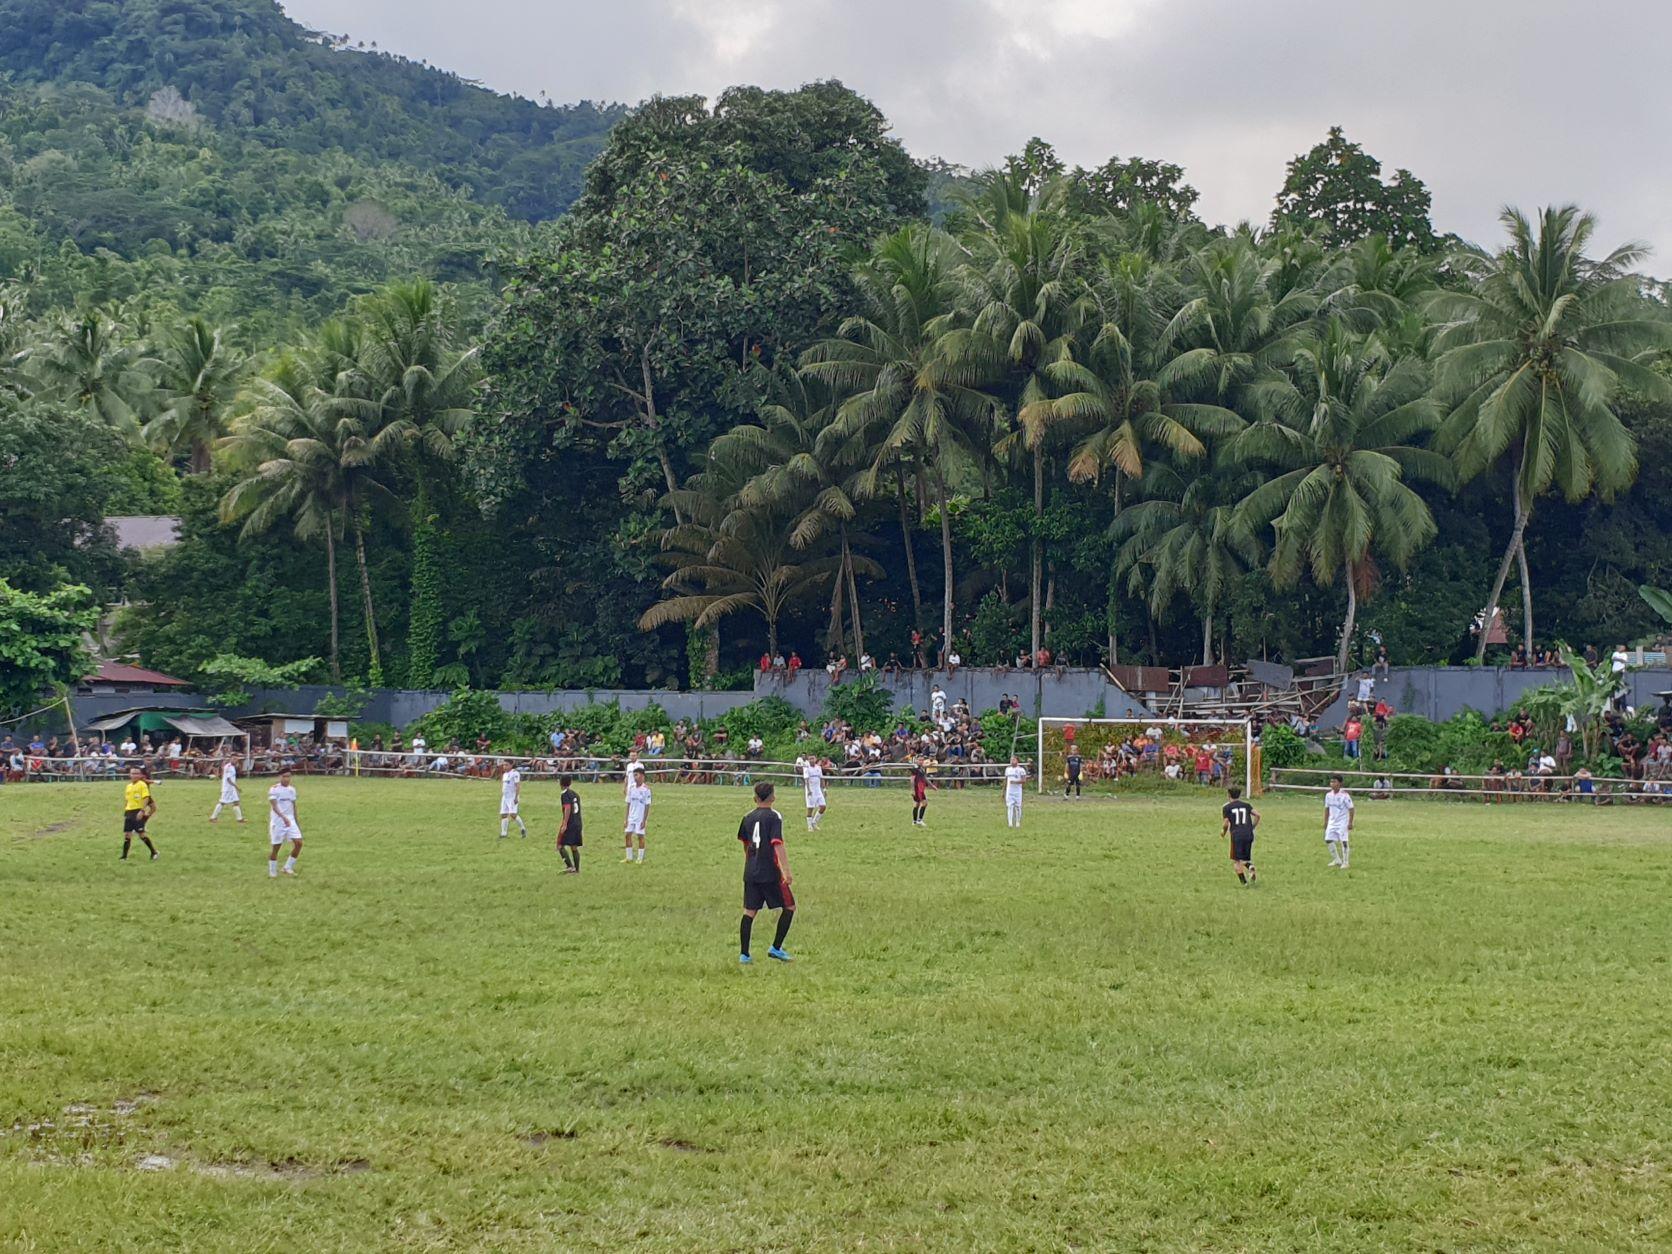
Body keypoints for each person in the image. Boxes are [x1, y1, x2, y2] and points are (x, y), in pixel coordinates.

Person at [737, 781, 795, 964]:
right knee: (789, 907)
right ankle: (775, 948)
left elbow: (746, 845)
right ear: (773, 797)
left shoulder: (747, 817)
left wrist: (752, 862)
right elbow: (777, 844)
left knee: (749, 911)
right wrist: (786, 871)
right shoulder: (774, 817)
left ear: (755, 798)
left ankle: (744, 954)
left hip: (751, 871)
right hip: (770, 871)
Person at [1221, 785, 1259, 886]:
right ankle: (1250, 866)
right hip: (1248, 834)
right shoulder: (1246, 805)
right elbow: (1258, 815)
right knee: (1244, 858)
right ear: (1239, 795)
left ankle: (1244, 883)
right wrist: (1252, 827)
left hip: (1237, 835)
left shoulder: (1227, 807)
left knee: (1236, 860)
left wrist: (1223, 832)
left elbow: (1225, 824)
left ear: (1229, 795)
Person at [267, 768, 302, 877]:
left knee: (299, 843)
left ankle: (288, 867)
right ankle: (272, 871)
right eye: (285, 776)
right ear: (280, 777)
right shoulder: (274, 789)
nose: (287, 779)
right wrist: (283, 817)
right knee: (276, 847)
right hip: (278, 821)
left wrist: (295, 820)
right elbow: (274, 806)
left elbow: (293, 805)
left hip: (290, 820)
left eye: (289, 776)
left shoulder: (292, 790)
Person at [120, 765, 159, 862]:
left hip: (138, 811)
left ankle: (154, 852)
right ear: (130, 775)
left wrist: (142, 811)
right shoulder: (128, 786)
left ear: (140, 775)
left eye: (137, 773)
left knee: (141, 835)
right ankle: (124, 857)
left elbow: (146, 798)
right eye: (133, 773)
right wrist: (126, 809)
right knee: (127, 835)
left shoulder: (142, 785)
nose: (135, 775)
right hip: (129, 812)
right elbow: (127, 799)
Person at [1324, 774, 1354, 868]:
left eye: (1334, 781)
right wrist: (1325, 821)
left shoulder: (1345, 795)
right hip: (1332, 821)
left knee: (1344, 841)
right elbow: (1327, 808)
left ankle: (1345, 862)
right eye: (1331, 781)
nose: (1332, 784)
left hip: (1342, 822)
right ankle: (1337, 860)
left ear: (1340, 783)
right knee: (1328, 839)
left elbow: (1351, 809)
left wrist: (1350, 822)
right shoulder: (1328, 795)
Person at [623, 766, 651, 863]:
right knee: (627, 835)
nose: (635, 777)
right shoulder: (631, 788)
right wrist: (626, 818)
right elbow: (628, 803)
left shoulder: (646, 790)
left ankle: (640, 858)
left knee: (640, 836)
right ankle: (629, 857)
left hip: (640, 817)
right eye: (634, 775)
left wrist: (644, 820)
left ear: (642, 776)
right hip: (631, 816)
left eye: (636, 775)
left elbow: (647, 806)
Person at [556, 774, 583, 873]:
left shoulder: (564, 794)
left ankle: (570, 867)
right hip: (578, 822)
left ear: (560, 783)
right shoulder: (575, 794)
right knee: (574, 846)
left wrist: (565, 823)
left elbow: (567, 808)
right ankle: (577, 869)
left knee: (560, 845)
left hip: (570, 823)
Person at [209, 756, 245, 823]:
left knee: (236, 802)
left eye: (236, 760)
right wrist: (236, 787)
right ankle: (213, 817)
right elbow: (228, 779)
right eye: (234, 759)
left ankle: (240, 819)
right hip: (228, 789)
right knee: (222, 802)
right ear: (231, 759)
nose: (235, 761)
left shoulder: (230, 766)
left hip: (231, 788)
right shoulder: (229, 768)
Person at [498, 759, 527, 840]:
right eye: (504, 765)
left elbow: (517, 785)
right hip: (505, 797)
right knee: (504, 814)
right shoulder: (505, 774)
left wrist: (516, 797)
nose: (505, 767)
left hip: (512, 797)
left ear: (511, 765)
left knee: (513, 814)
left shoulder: (515, 773)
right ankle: (504, 833)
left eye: (506, 765)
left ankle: (522, 828)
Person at [800, 754, 828, 831]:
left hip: (818, 790)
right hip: (811, 790)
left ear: (815, 759)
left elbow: (821, 778)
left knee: (823, 806)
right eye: (810, 759)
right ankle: (809, 826)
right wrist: (808, 790)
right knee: (810, 808)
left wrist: (824, 789)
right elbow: (806, 780)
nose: (812, 760)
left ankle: (814, 822)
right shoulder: (806, 768)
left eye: (813, 758)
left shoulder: (818, 768)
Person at [1004, 755, 1029, 828]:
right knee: (1009, 806)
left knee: (1018, 807)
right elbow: (1006, 780)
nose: (1012, 761)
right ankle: (1010, 823)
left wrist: (1015, 782)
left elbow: (1024, 780)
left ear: (1017, 761)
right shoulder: (1008, 769)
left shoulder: (1021, 770)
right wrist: (1004, 791)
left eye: (1013, 760)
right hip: (1009, 791)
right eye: (1011, 760)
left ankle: (1018, 822)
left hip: (1017, 791)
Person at [910, 760, 936, 827]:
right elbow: (912, 779)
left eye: (922, 760)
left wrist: (932, 786)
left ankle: (915, 821)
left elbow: (924, 778)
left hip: (920, 788)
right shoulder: (915, 768)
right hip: (917, 788)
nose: (921, 761)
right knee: (924, 803)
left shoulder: (922, 769)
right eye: (919, 760)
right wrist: (913, 790)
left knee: (917, 804)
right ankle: (919, 820)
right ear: (917, 760)